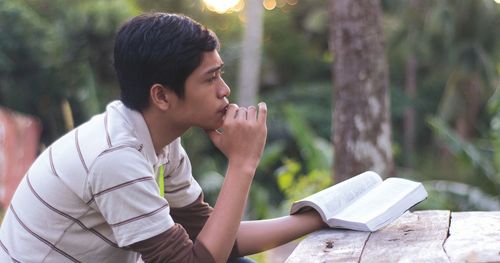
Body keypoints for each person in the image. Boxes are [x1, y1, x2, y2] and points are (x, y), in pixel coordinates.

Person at [0, 12, 325, 262]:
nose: (224, 91)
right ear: (162, 96)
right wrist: (242, 163)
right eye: (210, 78)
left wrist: (320, 220)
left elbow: (214, 238)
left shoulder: (160, 142)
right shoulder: (115, 157)